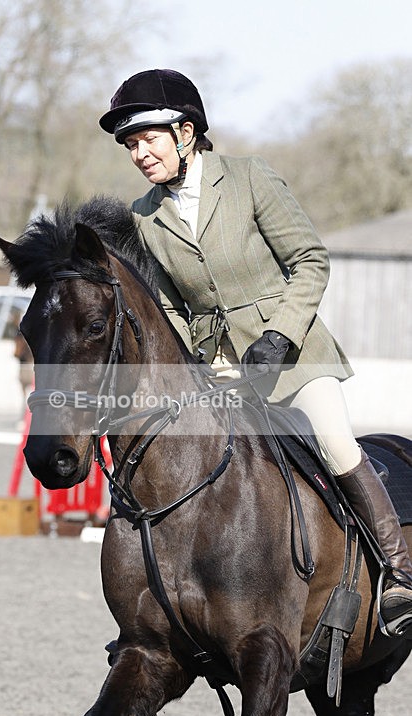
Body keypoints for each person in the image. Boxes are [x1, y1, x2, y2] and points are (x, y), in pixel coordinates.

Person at [99, 68, 412, 636]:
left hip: (293, 354)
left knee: (336, 442)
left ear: (186, 132)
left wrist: (279, 336)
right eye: (130, 145)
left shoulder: (249, 180)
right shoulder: (145, 216)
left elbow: (310, 261)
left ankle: (399, 573)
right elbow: (169, 308)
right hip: (222, 369)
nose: (139, 154)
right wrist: (200, 361)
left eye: (147, 139)